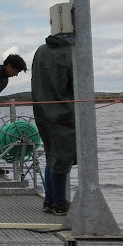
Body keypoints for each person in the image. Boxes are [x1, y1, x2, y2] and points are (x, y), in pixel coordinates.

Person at [31, 33, 75, 215]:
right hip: (63, 113)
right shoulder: (69, 53)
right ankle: (59, 203)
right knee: (62, 158)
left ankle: (49, 200)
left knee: (51, 156)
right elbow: (76, 83)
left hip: (42, 111)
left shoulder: (40, 51)